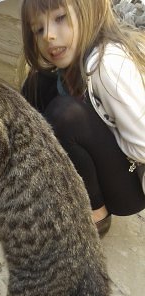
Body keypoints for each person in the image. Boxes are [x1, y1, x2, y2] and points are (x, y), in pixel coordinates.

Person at [20, 0, 145, 237]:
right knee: (39, 83)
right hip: (114, 163)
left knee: (65, 115)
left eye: (60, 18)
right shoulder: (78, 58)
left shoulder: (107, 64)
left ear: (88, 11)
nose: (48, 36)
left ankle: (95, 213)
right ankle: (37, 182)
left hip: (129, 188)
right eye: (38, 29)